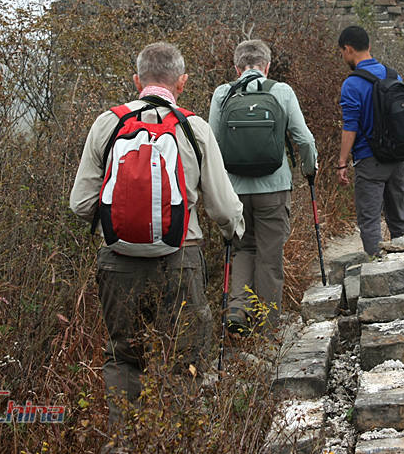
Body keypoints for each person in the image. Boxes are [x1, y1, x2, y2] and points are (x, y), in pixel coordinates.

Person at [69, 42, 244, 425]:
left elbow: (80, 204)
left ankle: (124, 440)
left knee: (124, 356)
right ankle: (177, 435)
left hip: (117, 262)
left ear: (137, 81)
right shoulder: (193, 127)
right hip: (182, 259)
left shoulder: (108, 123)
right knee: (186, 358)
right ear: (181, 83)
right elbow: (225, 209)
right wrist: (235, 231)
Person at [208, 39, 317, 331]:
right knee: (270, 255)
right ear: (267, 66)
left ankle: (237, 311)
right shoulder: (281, 91)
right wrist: (310, 170)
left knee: (243, 248)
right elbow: (304, 139)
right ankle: (267, 329)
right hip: (274, 188)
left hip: (235, 190)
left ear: (237, 67)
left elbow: (213, 144)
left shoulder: (222, 93)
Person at [336, 26, 404, 257]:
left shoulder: (352, 84)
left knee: (370, 222)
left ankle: (377, 270)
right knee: (399, 219)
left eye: (342, 53)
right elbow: (401, 119)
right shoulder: (393, 75)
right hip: (396, 158)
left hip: (369, 161)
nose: (343, 57)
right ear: (369, 46)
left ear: (348, 49)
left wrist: (341, 162)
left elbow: (351, 126)